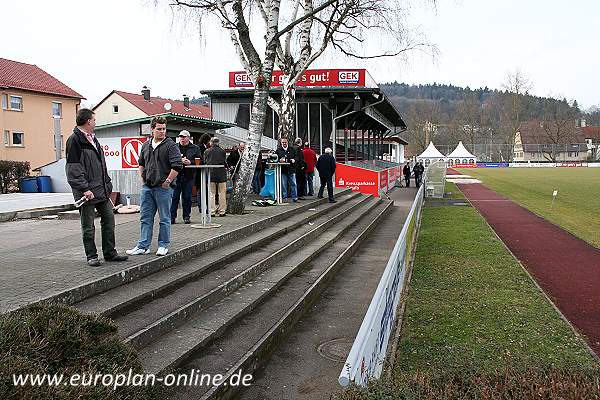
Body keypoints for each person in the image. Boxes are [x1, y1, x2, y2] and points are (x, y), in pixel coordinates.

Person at [65, 109, 128, 267]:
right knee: (88, 226)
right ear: (87, 121)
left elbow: (101, 166)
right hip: (86, 192)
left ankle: (110, 253)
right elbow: (73, 169)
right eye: (94, 119)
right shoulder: (74, 140)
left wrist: (107, 184)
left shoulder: (93, 139)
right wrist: (84, 188)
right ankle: (91, 256)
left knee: (109, 219)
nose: (95, 122)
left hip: (101, 190)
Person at [127, 116, 183, 257]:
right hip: (148, 187)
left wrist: (168, 182)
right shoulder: (146, 145)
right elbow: (141, 163)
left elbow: (177, 166)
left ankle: (163, 245)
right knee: (145, 217)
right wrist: (142, 178)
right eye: (159, 129)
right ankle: (143, 245)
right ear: (152, 129)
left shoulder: (171, 145)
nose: (162, 131)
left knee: (164, 218)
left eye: (164, 129)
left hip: (163, 188)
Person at [170, 130, 199, 224]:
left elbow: (200, 161)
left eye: (183, 137)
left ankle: (186, 216)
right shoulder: (174, 147)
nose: (182, 138)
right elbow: (169, 160)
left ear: (188, 138)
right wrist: (179, 161)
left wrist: (191, 162)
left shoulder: (195, 148)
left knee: (187, 198)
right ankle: (172, 217)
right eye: (180, 136)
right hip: (176, 176)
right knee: (174, 198)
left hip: (188, 176)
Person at [204, 137, 228, 216]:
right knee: (222, 193)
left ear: (211, 142)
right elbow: (224, 162)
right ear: (218, 143)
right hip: (221, 174)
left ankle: (212, 211)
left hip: (211, 173)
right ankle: (222, 211)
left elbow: (205, 161)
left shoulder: (207, 151)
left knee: (211, 193)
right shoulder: (222, 151)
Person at [275, 137, 299, 203]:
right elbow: (276, 158)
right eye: (282, 142)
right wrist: (279, 160)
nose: (284, 143)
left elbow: (297, 157)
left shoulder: (292, 149)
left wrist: (294, 160)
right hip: (283, 170)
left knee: (293, 184)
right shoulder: (278, 150)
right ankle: (285, 197)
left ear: (287, 142)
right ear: (281, 143)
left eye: (285, 142)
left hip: (291, 169)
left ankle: (295, 197)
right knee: (283, 185)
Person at [195, 133, 211, 215]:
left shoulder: (201, 146)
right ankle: (202, 207)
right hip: (200, 172)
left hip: (200, 172)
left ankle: (202, 207)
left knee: (201, 190)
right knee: (201, 190)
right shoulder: (201, 147)